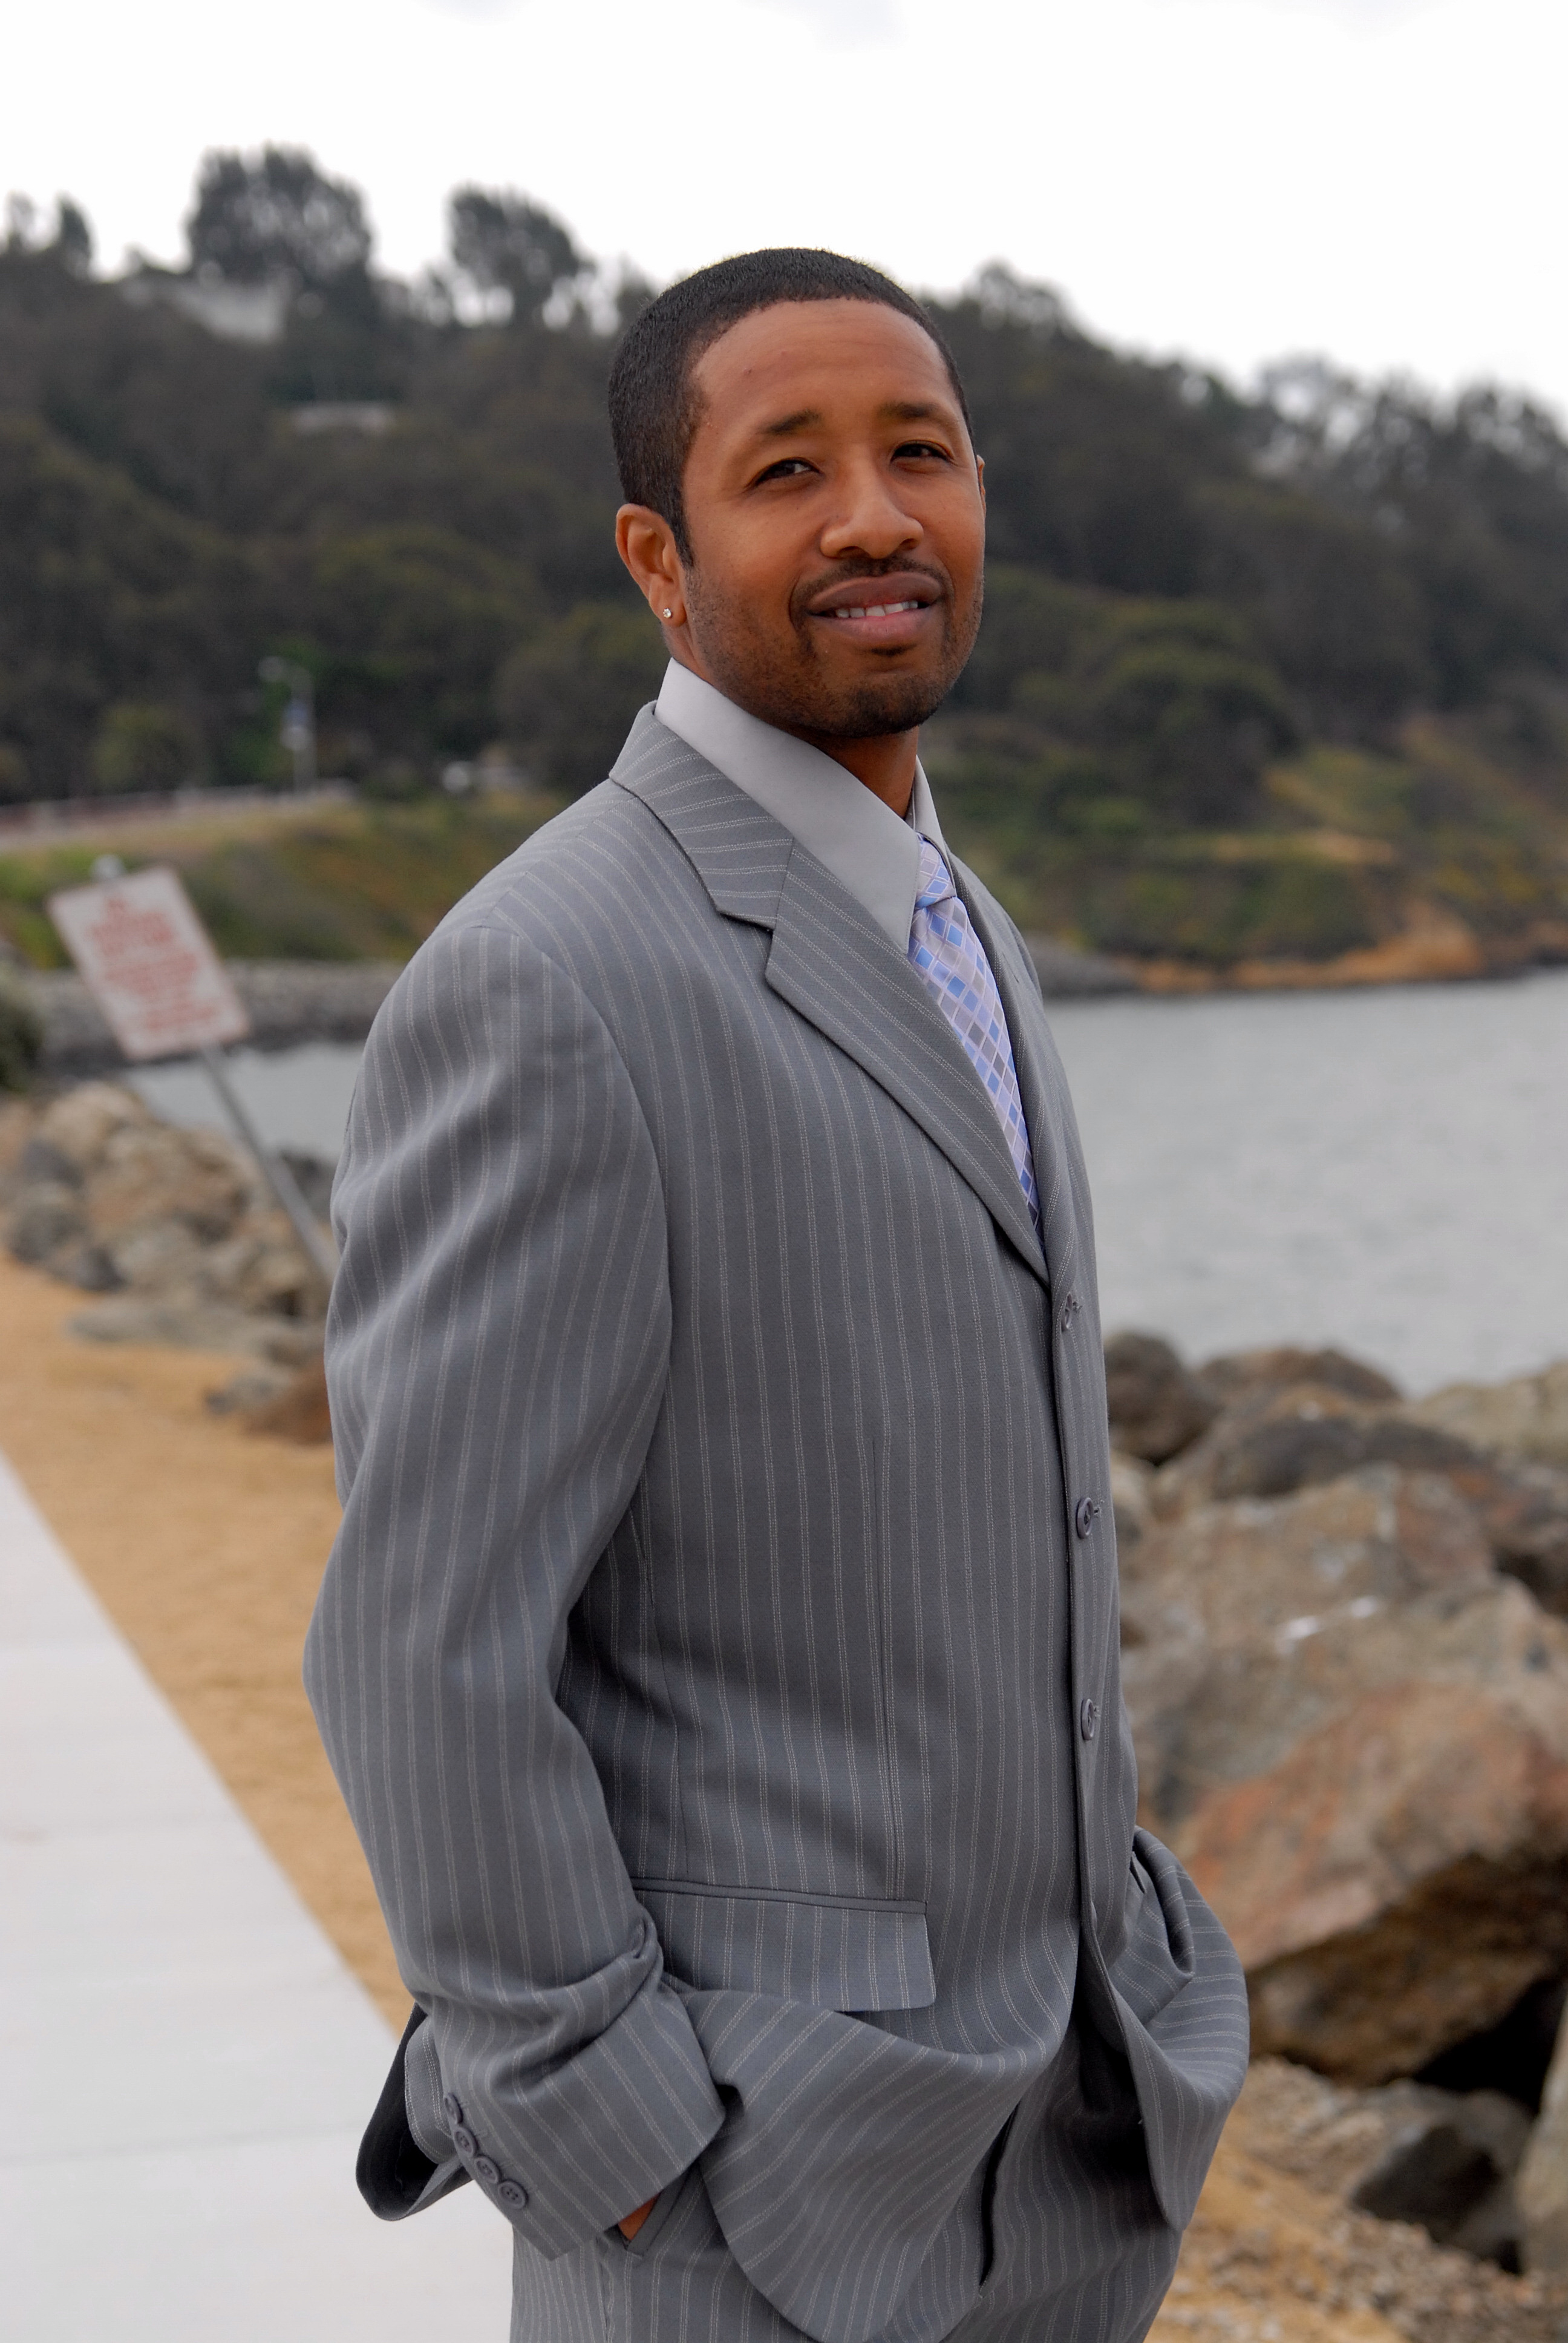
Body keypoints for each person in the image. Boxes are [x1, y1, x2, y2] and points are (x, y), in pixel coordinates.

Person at [305, 247, 1247, 2343]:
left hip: (1066, 2149)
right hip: (745, 2198)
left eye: (923, 454)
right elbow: (426, 1644)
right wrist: (606, 2127)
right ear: (660, 558)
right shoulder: (547, 978)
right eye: (787, 469)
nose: (875, 517)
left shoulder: (965, 921)